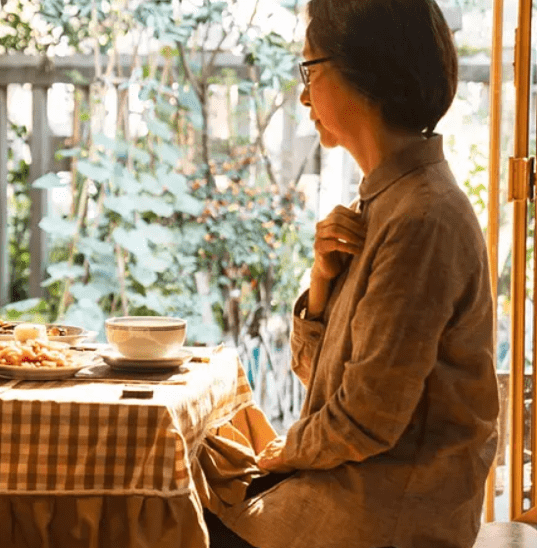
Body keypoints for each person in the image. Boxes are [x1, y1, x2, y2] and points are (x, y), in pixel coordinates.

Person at [206, 1, 499, 547]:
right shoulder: (390, 202)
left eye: (309, 71)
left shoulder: (420, 219)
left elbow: (367, 421)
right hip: (356, 490)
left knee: (162, 524)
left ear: (364, 70)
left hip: (388, 515)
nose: (303, 95)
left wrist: (281, 452)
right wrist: (322, 285)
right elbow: (325, 381)